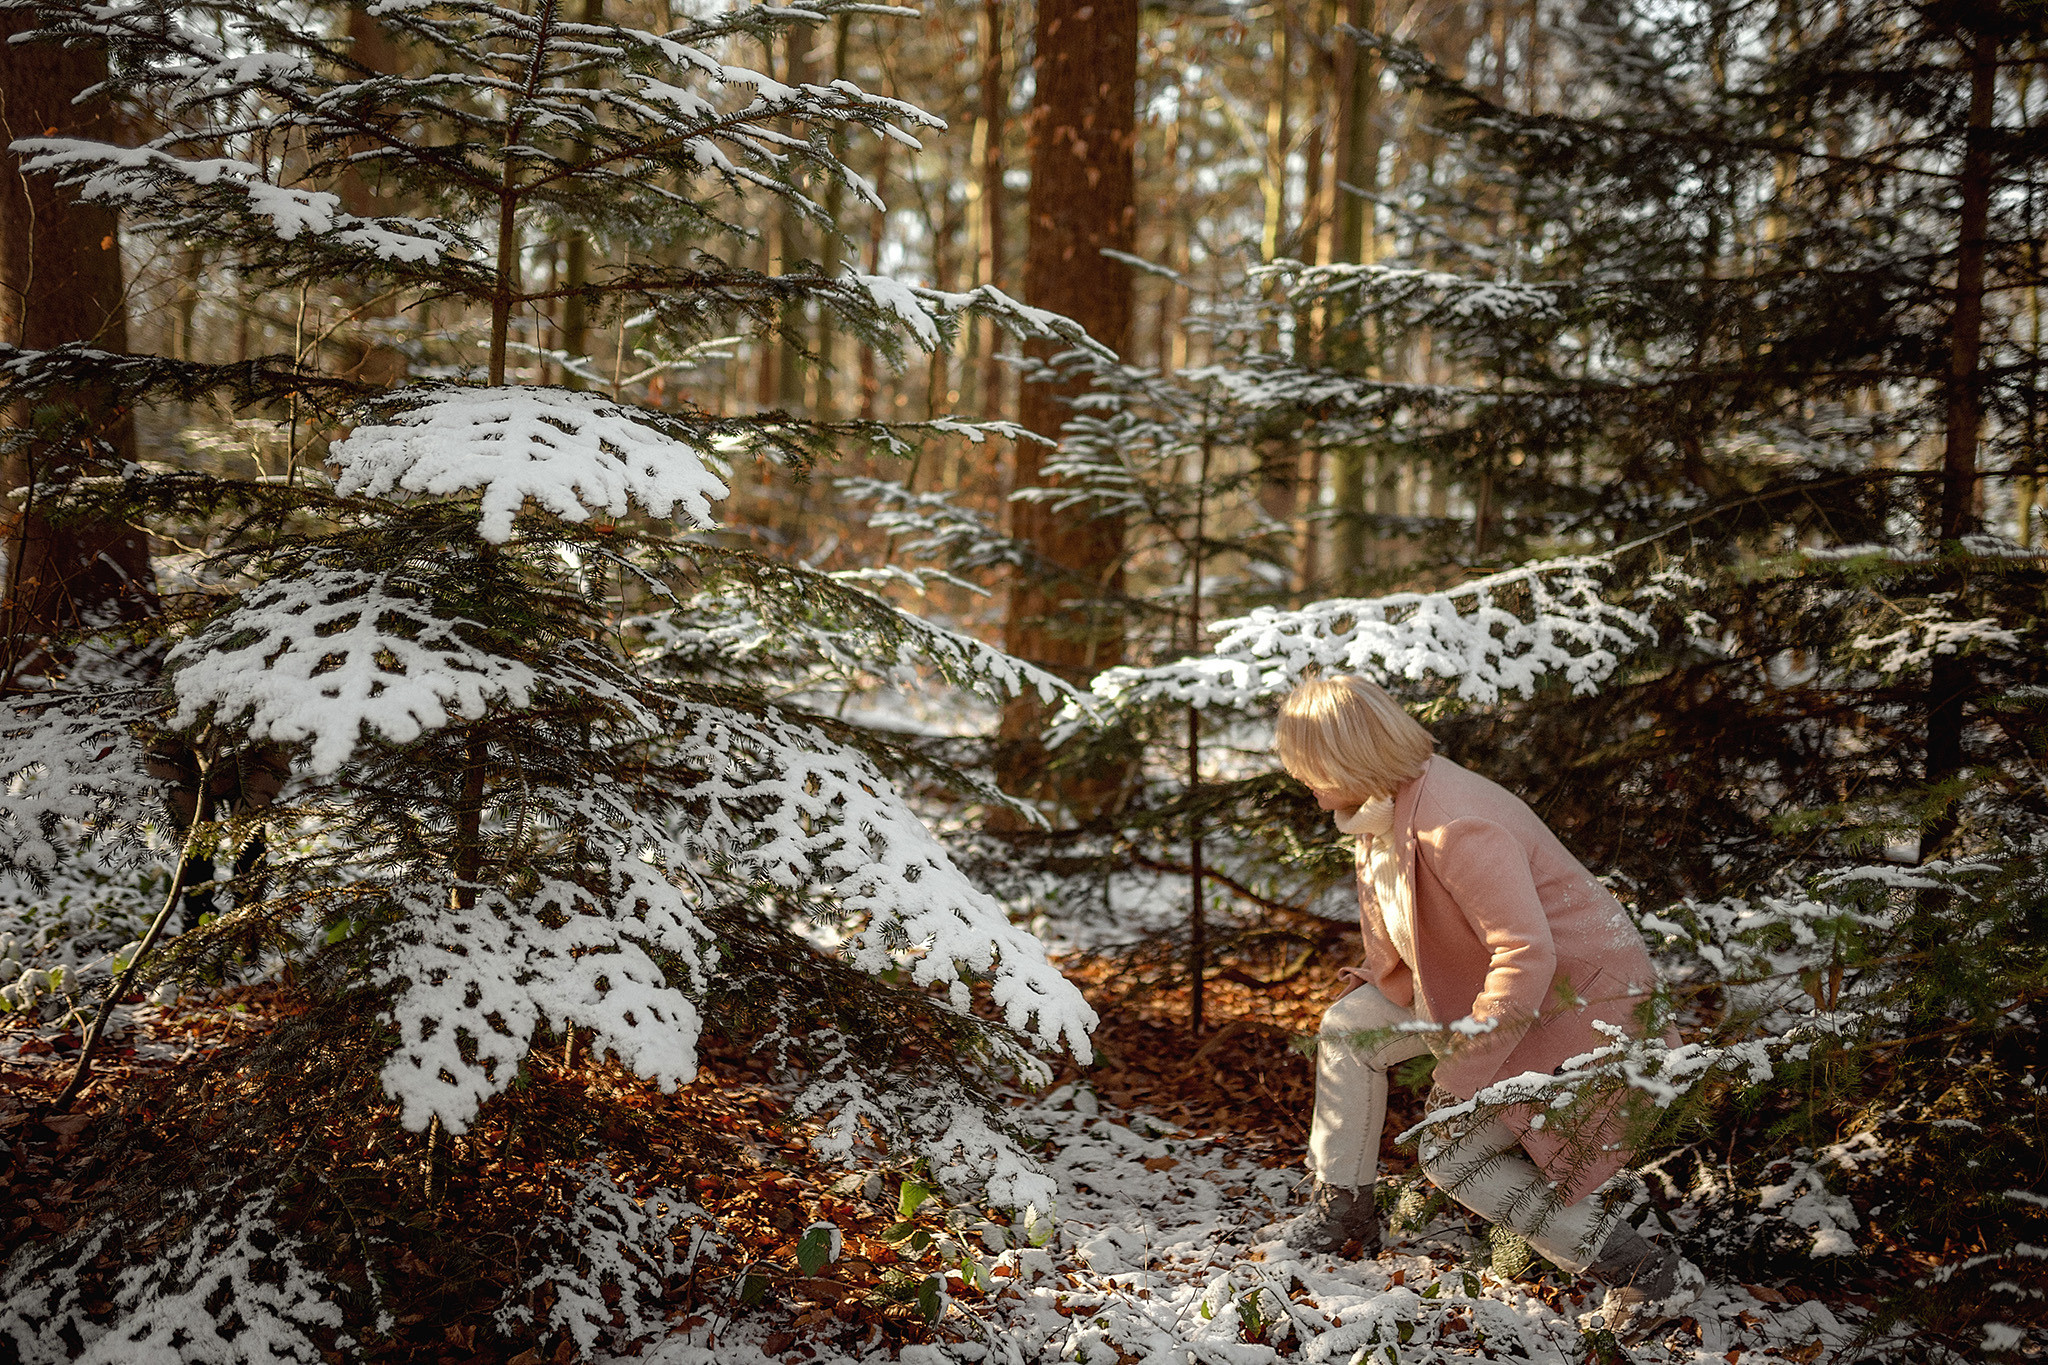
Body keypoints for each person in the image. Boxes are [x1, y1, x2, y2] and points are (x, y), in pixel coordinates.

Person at [1267, 673, 1703, 1341]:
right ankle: (1343, 1211)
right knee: (1350, 1025)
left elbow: (1526, 956)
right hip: (1487, 991)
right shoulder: (1380, 808)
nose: (1304, 785)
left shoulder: (1454, 822)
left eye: (1309, 769)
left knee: (1450, 1152)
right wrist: (1376, 973)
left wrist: (1462, 1076)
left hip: (1584, 1011)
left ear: (1348, 758)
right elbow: (1418, 921)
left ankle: (1646, 1271)